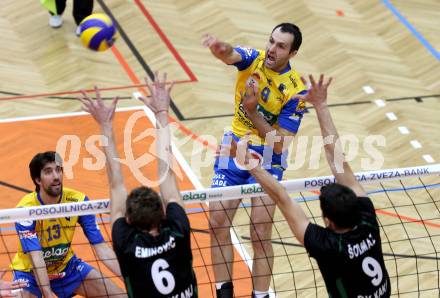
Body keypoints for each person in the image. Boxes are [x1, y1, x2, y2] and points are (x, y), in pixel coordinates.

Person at [231, 74, 390, 297]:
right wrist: (322, 105)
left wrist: (248, 164)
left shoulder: (327, 246)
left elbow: (282, 197)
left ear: (328, 221)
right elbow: (338, 161)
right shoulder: (366, 218)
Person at [203, 23, 307, 298]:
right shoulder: (254, 59)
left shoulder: (297, 91)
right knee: (217, 222)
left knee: (260, 231)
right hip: (234, 148)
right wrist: (219, 47)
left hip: (269, 158)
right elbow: (231, 55)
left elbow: (280, 142)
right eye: (271, 41)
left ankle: (259, 296)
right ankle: (223, 292)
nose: (272, 49)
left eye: (281, 46)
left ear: (292, 53)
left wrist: (254, 112)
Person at [78, 75, 198, 298]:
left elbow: (116, 185)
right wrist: (162, 113)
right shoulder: (178, 231)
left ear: (129, 221)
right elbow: (168, 178)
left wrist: (105, 126)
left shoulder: (126, 244)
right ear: (163, 213)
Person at [11, 151, 126, 298]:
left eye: (58, 170)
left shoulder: (78, 201)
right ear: (37, 180)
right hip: (31, 274)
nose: (56, 176)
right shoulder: (25, 210)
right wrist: (47, 293)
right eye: (48, 172)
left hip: (67, 268)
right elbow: (36, 256)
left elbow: (101, 248)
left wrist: (131, 279)